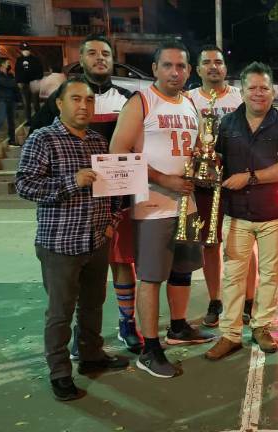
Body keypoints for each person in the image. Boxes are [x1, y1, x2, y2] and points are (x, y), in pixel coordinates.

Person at [16, 77, 129, 401]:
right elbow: (24, 185)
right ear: (60, 104)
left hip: (96, 240)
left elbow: (112, 188)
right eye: (76, 99)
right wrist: (71, 181)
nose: (84, 106)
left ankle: (91, 355)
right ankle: (60, 373)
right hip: (59, 244)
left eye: (89, 100)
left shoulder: (96, 141)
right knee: (60, 312)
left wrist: (110, 222)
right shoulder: (43, 139)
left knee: (93, 305)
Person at [31, 35, 141, 358]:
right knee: (72, 286)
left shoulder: (128, 99)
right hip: (72, 210)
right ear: (81, 60)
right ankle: (73, 350)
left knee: (122, 263)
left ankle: (126, 323)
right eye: (92, 53)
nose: (100, 58)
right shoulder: (65, 99)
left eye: (105, 53)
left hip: (115, 201)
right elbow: (36, 147)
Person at [110, 40, 215, 379]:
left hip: (187, 203)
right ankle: (150, 348)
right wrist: (162, 179)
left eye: (181, 66)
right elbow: (118, 152)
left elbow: (195, 148)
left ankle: (179, 327)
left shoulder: (189, 103)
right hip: (153, 206)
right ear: (154, 69)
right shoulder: (141, 102)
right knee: (152, 277)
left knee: (183, 270)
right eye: (168, 65)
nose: (175, 71)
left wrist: (206, 165)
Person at [205, 62, 278, 360]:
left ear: (273, 91)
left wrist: (250, 177)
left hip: (273, 214)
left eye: (264, 88)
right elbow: (215, 161)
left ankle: (261, 327)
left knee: (269, 274)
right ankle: (229, 334)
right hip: (236, 213)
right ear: (241, 91)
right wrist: (204, 163)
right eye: (252, 88)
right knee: (232, 275)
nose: (258, 93)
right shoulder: (227, 124)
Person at [186, 45, 258, 328]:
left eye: (218, 62)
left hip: (237, 181)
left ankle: (249, 299)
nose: (213, 67)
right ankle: (215, 299)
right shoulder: (188, 100)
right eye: (207, 62)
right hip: (203, 183)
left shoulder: (241, 98)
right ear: (198, 68)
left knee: (243, 243)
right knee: (209, 244)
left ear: (226, 69)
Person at [0, 57, 18, 146]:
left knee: (11, 121)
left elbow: (14, 85)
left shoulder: (10, 75)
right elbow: (6, 83)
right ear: (2, 64)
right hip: (3, 100)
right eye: (7, 63)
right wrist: (15, 82)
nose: (9, 64)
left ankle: (12, 141)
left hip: (11, 100)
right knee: (0, 119)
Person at [16, 42, 44, 123]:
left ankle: (39, 120)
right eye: (24, 50)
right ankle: (29, 120)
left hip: (34, 83)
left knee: (36, 104)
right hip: (24, 85)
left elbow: (40, 71)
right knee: (26, 104)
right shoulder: (19, 60)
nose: (25, 51)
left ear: (30, 50)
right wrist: (18, 82)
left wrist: (38, 79)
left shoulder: (35, 60)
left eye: (27, 49)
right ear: (21, 50)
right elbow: (17, 72)